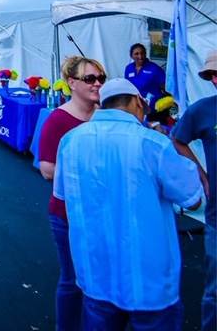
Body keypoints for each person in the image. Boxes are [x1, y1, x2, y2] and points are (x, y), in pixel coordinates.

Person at [54, 78, 203, 330]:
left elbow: (63, 195)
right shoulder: (152, 143)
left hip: (95, 272)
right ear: (137, 102)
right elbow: (192, 198)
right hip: (148, 281)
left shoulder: (70, 141)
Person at [38, 56, 106, 330]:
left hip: (102, 212)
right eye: (90, 79)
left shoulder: (107, 115)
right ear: (72, 83)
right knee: (72, 279)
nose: (97, 83)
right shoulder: (58, 119)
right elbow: (47, 169)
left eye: (101, 78)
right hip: (68, 215)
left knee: (100, 279)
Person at [172, 50, 217, 331]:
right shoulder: (202, 109)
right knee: (215, 290)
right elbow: (178, 139)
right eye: (213, 75)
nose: (215, 80)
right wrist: (201, 174)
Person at [124, 43, 166, 110]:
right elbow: (127, 87)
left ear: (145, 54)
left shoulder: (154, 68)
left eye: (142, 53)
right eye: (136, 54)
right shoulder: (128, 68)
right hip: (136, 107)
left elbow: (165, 88)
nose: (140, 56)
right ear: (131, 56)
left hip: (153, 108)